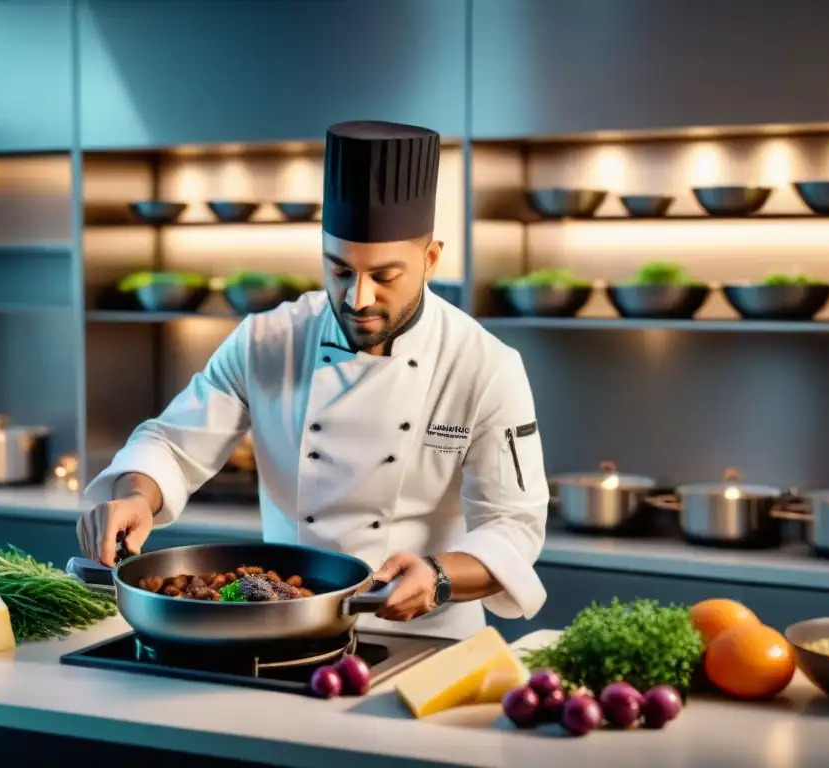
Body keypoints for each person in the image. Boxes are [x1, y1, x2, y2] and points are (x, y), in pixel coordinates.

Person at [78, 120, 550, 639]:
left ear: (431, 259)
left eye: (385, 276)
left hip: (429, 637)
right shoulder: (267, 341)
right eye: (340, 271)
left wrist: (438, 577)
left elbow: (513, 525)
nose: (358, 298)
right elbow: (170, 443)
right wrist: (135, 495)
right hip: (281, 628)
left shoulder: (484, 365)